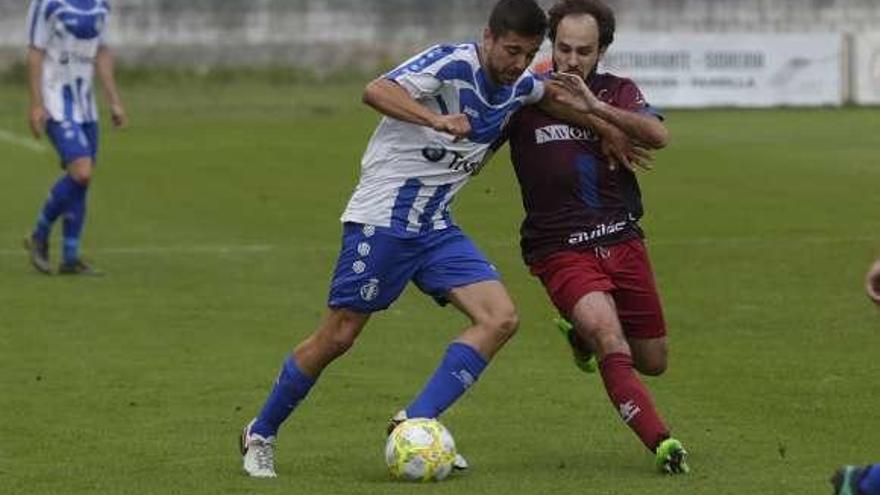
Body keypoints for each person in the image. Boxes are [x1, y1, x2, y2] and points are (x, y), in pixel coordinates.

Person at [238, 0, 591, 479]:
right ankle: (260, 432)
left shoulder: (517, 85)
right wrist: (436, 120)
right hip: (382, 221)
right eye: (510, 50)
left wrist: (607, 128)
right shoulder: (452, 62)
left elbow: (548, 94)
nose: (517, 64)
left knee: (500, 318)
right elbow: (376, 89)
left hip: (435, 227)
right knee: (339, 335)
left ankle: (414, 422)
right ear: (488, 38)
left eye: (528, 54)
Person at [504, 0, 688, 474]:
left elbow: (658, 137)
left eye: (584, 51)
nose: (571, 60)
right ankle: (662, 443)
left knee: (653, 361)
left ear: (602, 50)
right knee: (612, 339)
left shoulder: (618, 91)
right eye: (562, 48)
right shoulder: (527, 90)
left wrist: (597, 107)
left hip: (622, 237)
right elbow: (516, 104)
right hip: (558, 247)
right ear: (551, 45)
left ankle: (579, 338)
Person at [23, 0, 127, 275]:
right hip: (55, 98)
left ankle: (70, 257)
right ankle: (40, 233)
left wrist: (114, 101)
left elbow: (102, 52)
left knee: (82, 181)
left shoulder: (101, 4)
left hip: (85, 105)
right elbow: (35, 52)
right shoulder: (47, 4)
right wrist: (36, 104)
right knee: (82, 172)